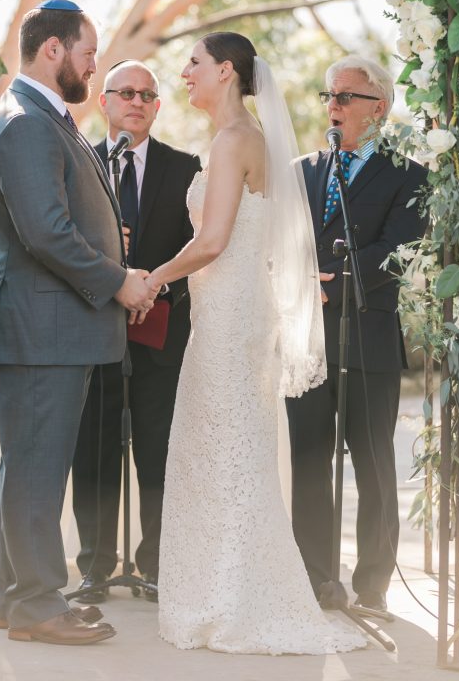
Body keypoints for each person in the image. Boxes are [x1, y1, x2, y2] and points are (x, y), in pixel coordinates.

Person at [147, 32, 365, 654]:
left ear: (225, 71)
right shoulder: (240, 141)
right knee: (226, 450)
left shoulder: (236, 141)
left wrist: (153, 280)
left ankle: (233, 597)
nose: (184, 73)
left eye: (193, 63)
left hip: (231, 320)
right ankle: (228, 587)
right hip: (232, 313)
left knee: (226, 451)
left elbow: (213, 240)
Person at [0, 0, 156, 646]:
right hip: (39, 327)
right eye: (87, 53)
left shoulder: (45, 118)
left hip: (46, 326)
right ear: (53, 50)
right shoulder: (25, 122)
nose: (92, 66)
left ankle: (15, 597)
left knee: (26, 464)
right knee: (37, 468)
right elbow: (47, 234)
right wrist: (119, 281)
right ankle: (37, 605)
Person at [287, 56, 428, 613]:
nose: (334, 106)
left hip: (368, 338)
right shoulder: (303, 169)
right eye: (330, 96)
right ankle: (318, 577)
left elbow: (396, 249)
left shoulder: (411, 175)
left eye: (346, 97)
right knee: (309, 461)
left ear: (380, 108)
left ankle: (372, 586)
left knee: (372, 465)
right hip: (307, 341)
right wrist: (302, 283)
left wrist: (334, 281)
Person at [72, 61, 201, 602]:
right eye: (126, 92)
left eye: (148, 95)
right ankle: (96, 567)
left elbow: (199, 251)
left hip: (161, 332)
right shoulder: (76, 162)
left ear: (157, 106)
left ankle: (155, 565)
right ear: (104, 101)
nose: (138, 101)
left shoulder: (185, 166)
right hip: (93, 330)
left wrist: (155, 292)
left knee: (157, 452)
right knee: (95, 452)